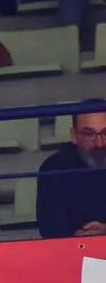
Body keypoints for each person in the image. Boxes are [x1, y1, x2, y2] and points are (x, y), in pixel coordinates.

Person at [36, 101, 106, 239]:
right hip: (77, 254)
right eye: (89, 134)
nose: (99, 144)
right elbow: (51, 229)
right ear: (74, 136)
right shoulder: (54, 168)